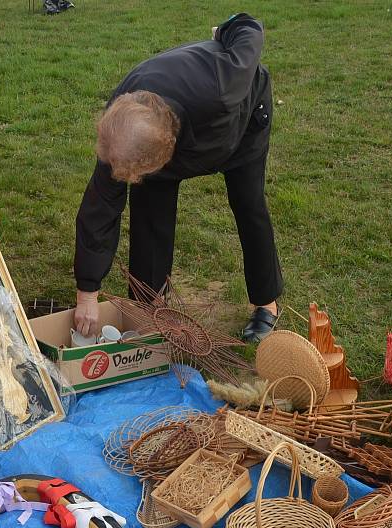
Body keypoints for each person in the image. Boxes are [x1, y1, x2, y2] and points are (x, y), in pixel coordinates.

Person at [74, 13, 283, 342]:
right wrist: (87, 291)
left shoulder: (222, 83)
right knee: (150, 216)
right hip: (161, 131)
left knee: (248, 204)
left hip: (239, 128)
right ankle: (150, 308)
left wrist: (224, 31)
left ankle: (266, 304)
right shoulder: (122, 124)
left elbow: (249, 27)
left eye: (138, 173)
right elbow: (100, 208)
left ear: (163, 156)